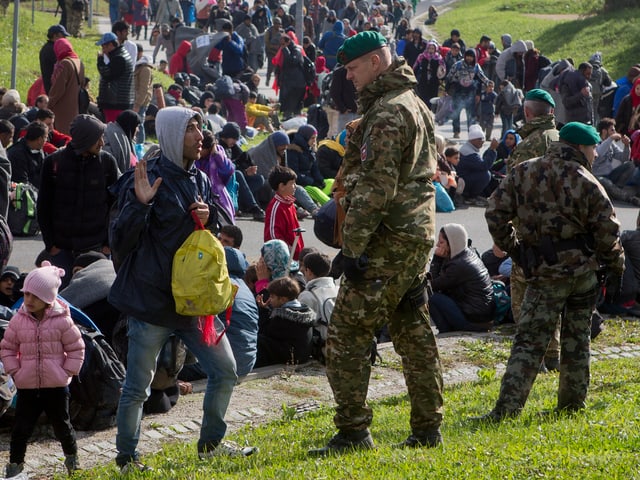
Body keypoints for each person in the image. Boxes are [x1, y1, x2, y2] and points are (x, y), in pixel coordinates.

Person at [309, 31, 443, 455]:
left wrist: (351, 249)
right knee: (413, 328)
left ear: (375, 62)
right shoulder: (414, 104)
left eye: (352, 68)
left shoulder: (387, 112)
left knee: (346, 334)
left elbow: (376, 188)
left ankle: (353, 432)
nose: (349, 78)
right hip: (414, 236)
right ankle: (427, 428)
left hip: (387, 240)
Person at [108, 107, 257, 472]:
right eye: (192, 129)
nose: (200, 135)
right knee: (138, 389)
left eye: (201, 128)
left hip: (193, 302)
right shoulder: (145, 178)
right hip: (152, 303)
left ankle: (211, 445)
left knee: (225, 370)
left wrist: (210, 217)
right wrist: (139, 206)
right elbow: (119, 240)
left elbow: (212, 232)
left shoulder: (200, 178)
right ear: (174, 135)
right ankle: (127, 458)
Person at [479, 122, 625, 422]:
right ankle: (572, 405)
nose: (595, 154)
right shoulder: (586, 180)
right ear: (580, 147)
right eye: (593, 147)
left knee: (529, 342)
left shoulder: (522, 171)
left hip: (542, 272)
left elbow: (495, 212)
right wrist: (615, 267)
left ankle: (507, 411)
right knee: (576, 340)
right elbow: (608, 232)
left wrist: (515, 248)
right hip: (582, 273)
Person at [1, 261, 85, 478]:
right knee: (21, 429)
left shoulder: (62, 321)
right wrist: (15, 370)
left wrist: (67, 371)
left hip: (56, 386)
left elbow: (76, 347)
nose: (28, 300)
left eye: (34, 296)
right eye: (26, 294)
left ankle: (72, 458)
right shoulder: (19, 320)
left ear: (48, 299)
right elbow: (8, 347)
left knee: (63, 426)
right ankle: (15, 466)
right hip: (27, 385)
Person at [37, 115, 120, 286]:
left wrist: (108, 244)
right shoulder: (53, 163)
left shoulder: (107, 163)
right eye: (98, 138)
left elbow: (116, 206)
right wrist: (51, 244)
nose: (102, 143)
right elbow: (43, 206)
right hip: (62, 248)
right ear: (85, 139)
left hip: (97, 248)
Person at [428, 224, 494, 333]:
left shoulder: (459, 265)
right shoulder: (466, 254)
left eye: (441, 242)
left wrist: (437, 260)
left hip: (475, 322)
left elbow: (431, 285)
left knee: (429, 295)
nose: (437, 245)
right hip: (480, 316)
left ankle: (445, 331)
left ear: (452, 243)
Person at [254, 276, 315, 367]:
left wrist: (263, 310)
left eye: (272, 297)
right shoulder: (302, 311)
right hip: (303, 355)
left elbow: (265, 331)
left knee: (257, 340)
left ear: (283, 299)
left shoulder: (283, 317)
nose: (270, 300)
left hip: (293, 356)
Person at [445, 49, 490, 138]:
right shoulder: (457, 65)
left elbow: (482, 78)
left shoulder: (476, 67)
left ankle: (471, 133)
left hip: (471, 94)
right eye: (468, 56)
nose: (469, 58)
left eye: (471, 56)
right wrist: (447, 91)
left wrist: (488, 84)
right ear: (465, 56)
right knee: (456, 114)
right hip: (458, 93)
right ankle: (456, 131)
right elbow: (449, 77)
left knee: (471, 115)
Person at [264, 165, 305, 260]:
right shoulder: (276, 206)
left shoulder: (289, 204)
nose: (295, 186)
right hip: (283, 258)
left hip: (294, 256)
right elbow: (273, 234)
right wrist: (287, 250)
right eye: (292, 183)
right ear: (281, 186)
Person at [96, 32, 135, 124]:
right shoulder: (120, 55)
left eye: (104, 47)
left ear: (110, 45)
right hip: (120, 101)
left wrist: (100, 60)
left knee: (113, 131)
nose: (103, 50)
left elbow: (107, 74)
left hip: (115, 103)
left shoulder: (119, 58)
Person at [455, 124, 498, 206]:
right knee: (485, 175)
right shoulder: (468, 152)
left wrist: (491, 150)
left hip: (466, 177)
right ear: (472, 140)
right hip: (463, 181)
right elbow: (484, 166)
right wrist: (492, 150)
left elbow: (482, 163)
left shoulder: (470, 149)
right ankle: (470, 196)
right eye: (479, 139)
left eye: (482, 139)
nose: (482, 141)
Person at [7, 121, 47, 189]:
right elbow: (22, 182)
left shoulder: (39, 151)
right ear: (40, 139)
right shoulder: (17, 154)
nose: (46, 140)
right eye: (46, 137)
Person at [103, 109, 141, 173]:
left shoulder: (128, 143)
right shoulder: (112, 142)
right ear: (130, 126)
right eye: (137, 126)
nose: (138, 130)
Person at [40, 25, 72, 95]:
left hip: (51, 86)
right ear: (55, 36)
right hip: (54, 88)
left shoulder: (48, 47)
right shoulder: (52, 50)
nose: (65, 39)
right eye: (63, 36)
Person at [133, 43, 154, 145]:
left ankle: (139, 147)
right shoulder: (138, 66)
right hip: (137, 100)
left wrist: (137, 104)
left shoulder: (145, 69)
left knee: (139, 124)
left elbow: (143, 89)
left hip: (141, 102)